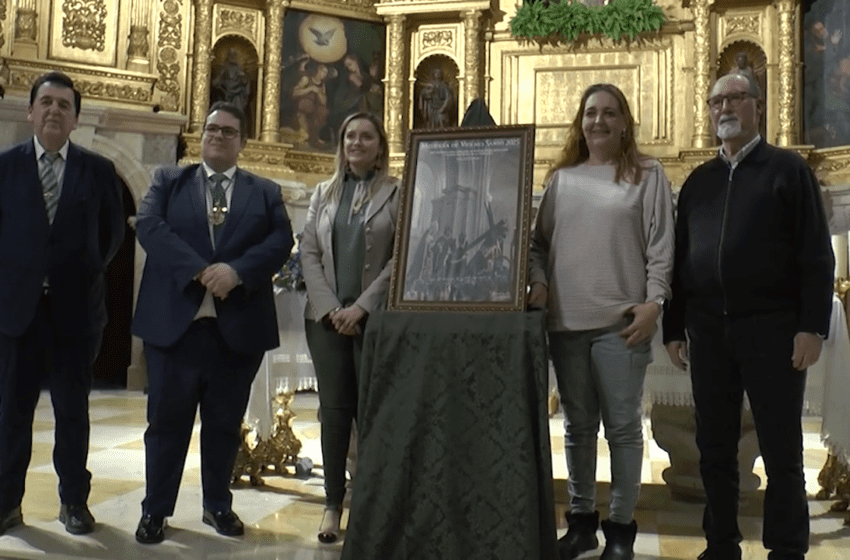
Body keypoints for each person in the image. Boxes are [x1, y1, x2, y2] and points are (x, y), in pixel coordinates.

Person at [662, 73, 834, 560]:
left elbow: (815, 254)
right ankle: (721, 545)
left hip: (772, 329)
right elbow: (680, 260)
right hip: (708, 331)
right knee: (714, 450)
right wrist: (674, 327)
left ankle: (786, 549)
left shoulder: (787, 170)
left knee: (781, 451)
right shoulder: (699, 182)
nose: (725, 107)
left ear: (758, 106)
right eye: (716, 100)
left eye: (736, 98)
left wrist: (811, 326)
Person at [131, 101, 294, 544]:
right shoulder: (168, 181)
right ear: (201, 136)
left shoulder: (264, 191)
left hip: (236, 332)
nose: (217, 136)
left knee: (224, 425)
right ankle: (155, 510)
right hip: (174, 329)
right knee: (165, 425)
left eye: (227, 131)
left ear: (242, 142)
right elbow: (149, 226)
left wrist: (237, 272)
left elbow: (281, 239)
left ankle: (217, 505)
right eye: (211, 129)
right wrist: (202, 270)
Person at [528, 83, 674, 560]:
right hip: (566, 323)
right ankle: (581, 524)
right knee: (577, 428)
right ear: (580, 122)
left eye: (610, 113)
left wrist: (655, 302)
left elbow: (661, 245)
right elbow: (537, 245)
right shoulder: (562, 180)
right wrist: (539, 283)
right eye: (591, 113)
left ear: (625, 122)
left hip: (621, 324)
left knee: (624, 430)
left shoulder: (647, 175)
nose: (599, 121)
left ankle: (621, 531)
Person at [0, 71, 124, 536]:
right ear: (30, 111)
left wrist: (77, 270)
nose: (54, 111)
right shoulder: (5, 168)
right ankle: (6, 503)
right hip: (17, 314)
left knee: (73, 414)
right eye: (46, 103)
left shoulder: (99, 171)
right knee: (11, 413)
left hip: (75, 314)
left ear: (75, 119)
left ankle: (74, 502)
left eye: (64, 105)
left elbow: (112, 235)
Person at [300, 111, 399, 544]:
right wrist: (330, 308)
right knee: (335, 412)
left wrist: (360, 307)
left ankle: (371, 503)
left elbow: (400, 257)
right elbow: (308, 252)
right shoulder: (323, 192)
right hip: (324, 322)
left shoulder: (397, 193)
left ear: (380, 146)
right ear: (341, 144)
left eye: (366, 136)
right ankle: (331, 505)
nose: (356, 143)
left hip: (374, 321)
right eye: (349, 136)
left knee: (373, 412)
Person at [212, 48, 251, 114]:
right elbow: (217, 81)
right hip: (225, 94)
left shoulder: (239, 68)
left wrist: (242, 75)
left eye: (234, 55)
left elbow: (245, 81)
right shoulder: (224, 67)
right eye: (231, 55)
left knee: (237, 111)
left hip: (237, 95)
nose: (232, 57)